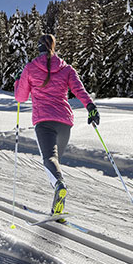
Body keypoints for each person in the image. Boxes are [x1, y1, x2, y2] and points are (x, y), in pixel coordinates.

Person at [14, 34, 99, 219]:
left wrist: (17, 84)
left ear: (39, 48)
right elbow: (79, 90)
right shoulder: (66, 68)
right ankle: (56, 206)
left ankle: (60, 186)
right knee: (56, 162)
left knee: (49, 160)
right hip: (64, 123)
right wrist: (91, 107)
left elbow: (21, 98)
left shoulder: (30, 68)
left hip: (44, 122)